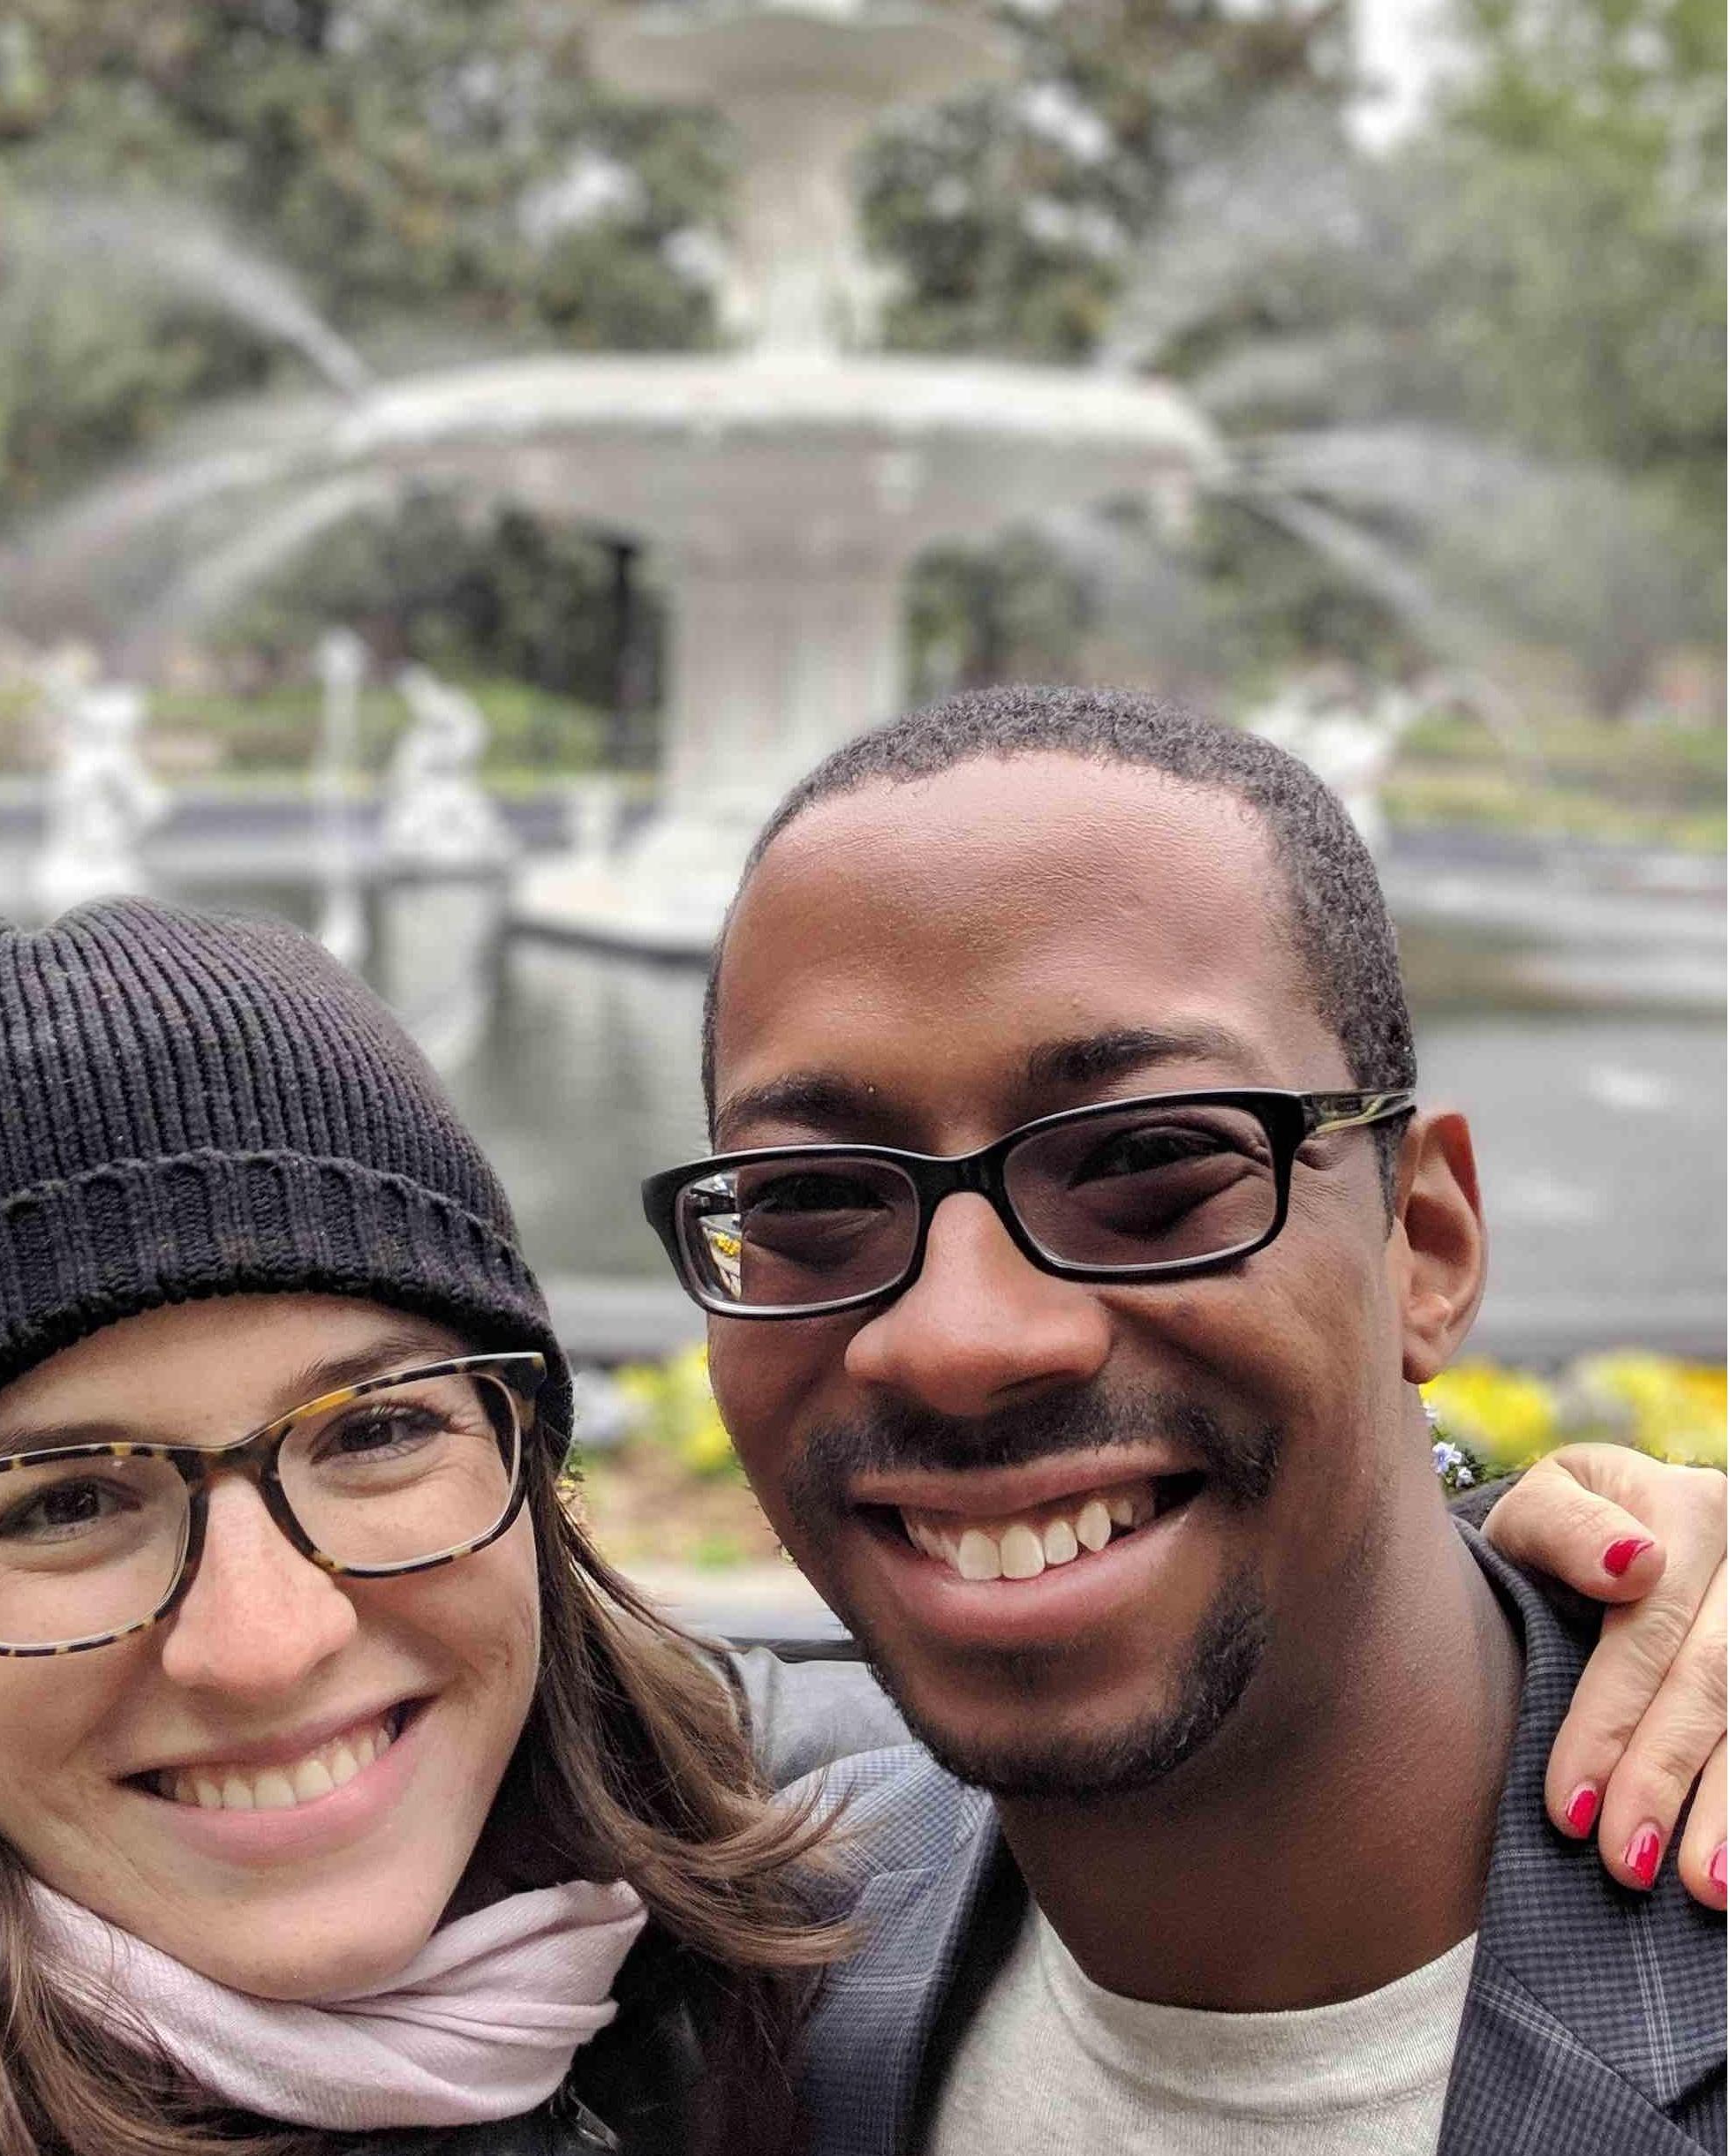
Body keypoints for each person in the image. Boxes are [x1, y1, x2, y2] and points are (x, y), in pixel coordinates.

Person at [0, 899, 857, 2156]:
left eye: (373, 1431)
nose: (265, 1644)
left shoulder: (783, 1915)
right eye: (66, 1502)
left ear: (524, 1453)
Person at [648, 683, 1726, 2154]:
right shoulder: (752, 1956)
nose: (961, 1340)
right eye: (806, 1198)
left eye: (1152, 1162)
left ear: (1426, 1240)